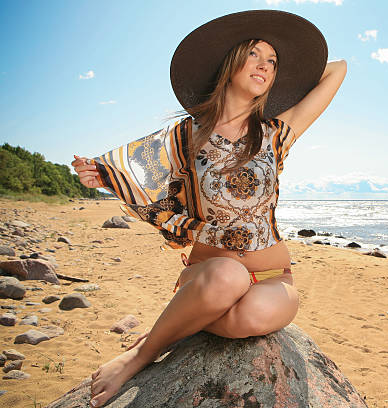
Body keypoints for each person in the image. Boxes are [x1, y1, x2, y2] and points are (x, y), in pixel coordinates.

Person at [71, 10, 346, 407]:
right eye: (253, 54)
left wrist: (286, 70)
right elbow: (132, 172)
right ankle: (140, 354)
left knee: (249, 318)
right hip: (209, 273)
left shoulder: (277, 134)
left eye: (272, 62)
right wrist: (98, 175)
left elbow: (338, 69)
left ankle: (178, 324)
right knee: (228, 277)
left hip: (273, 276)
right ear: (230, 62)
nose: (264, 65)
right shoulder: (186, 133)